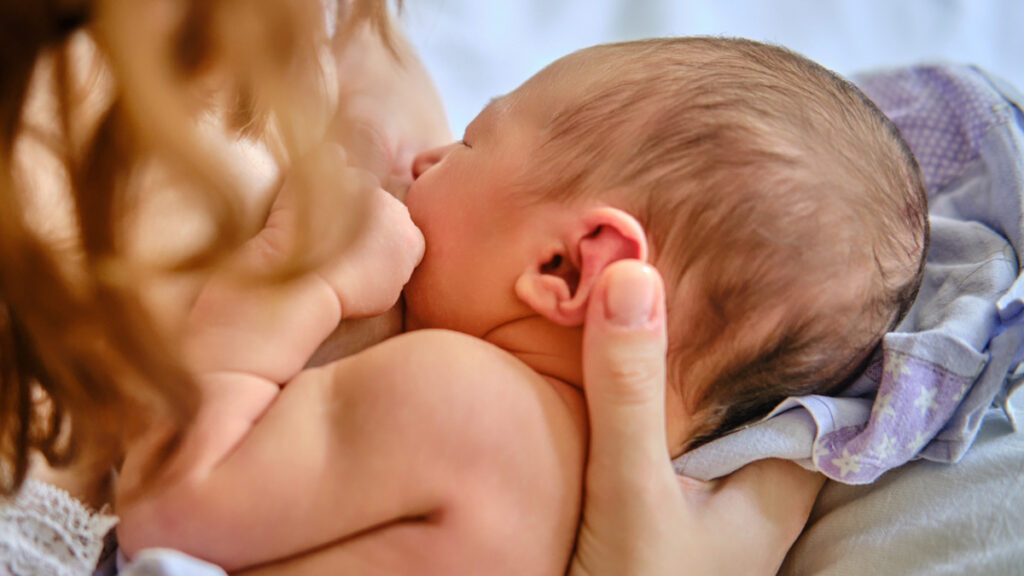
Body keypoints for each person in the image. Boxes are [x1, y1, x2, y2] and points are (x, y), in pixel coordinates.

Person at [0, 1, 819, 574]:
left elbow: (168, 507)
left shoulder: (470, 402)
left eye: (470, 139)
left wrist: (295, 276)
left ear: (565, 268)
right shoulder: (607, 484)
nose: (422, 159)